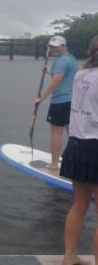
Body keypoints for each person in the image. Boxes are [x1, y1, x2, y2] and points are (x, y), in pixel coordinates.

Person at [59, 36, 98, 265]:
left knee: (79, 205)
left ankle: (70, 256)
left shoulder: (80, 76)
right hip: (95, 145)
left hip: (75, 144)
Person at [34, 36, 78, 170]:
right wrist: (49, 72)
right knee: (72, 132)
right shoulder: (70, 58)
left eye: (56, 46)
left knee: (56, 132)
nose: (53, 49)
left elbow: (56, 81)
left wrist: (41, 98)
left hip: (60, 101)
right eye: (52, 47)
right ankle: (76, 160)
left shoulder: (61, 60)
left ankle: (54, 164)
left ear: (64, 45)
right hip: (72, 101)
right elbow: (61, 77)